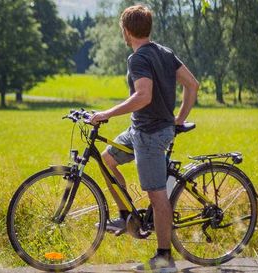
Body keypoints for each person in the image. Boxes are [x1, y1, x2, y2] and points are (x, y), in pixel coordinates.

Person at [88, 4, 199, 273]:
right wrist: (179, 118)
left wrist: (106, 114)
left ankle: (164, 257)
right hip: (139, 130)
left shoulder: (137, 59)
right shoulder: (164, 52)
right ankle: (126, 215)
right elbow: (192, 84)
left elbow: (143, 96)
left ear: (126, 31)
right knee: (107, 160)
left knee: (157, 195)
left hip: (150, 135)